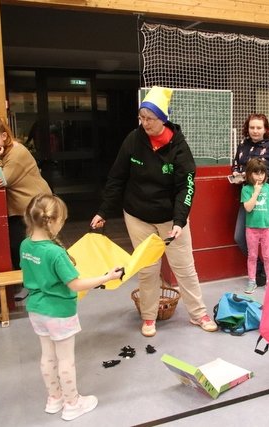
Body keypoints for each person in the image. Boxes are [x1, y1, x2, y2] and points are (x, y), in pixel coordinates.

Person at [90, 86, 217, 337]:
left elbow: (186, 187)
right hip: (137, 215)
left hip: (171, 218)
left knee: (184, 267)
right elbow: (116, 178)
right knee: (148, 268)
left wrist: (179, 221)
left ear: (163, 119)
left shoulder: (179, 147)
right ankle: (149, 317)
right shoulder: (133, 140)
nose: (145, 123)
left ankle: (198, 313)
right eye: (142, 118)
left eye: (150, 118)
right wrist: (103, 211)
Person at [21, 194, 124, 421]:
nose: (62, 224)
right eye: (62, 220)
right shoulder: (56, 253)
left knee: (47, 356)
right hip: (59, 312)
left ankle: (54, 399)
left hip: (36, 310)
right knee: (66, 360)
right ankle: (72, 404)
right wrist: (107, 277)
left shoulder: (25, 245)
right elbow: (75, 284)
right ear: (52, 221)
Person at [0, 117, 52, 271]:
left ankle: (45, 275)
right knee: (16, 247)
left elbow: (2, 180)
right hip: (14, 207)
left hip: (34, 203)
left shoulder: (17, 152)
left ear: (4, 136)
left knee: (33, 245)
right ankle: (26, 277)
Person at [231, 114, 269, 286]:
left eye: (258, 128)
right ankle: (259, 266)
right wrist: (238, 174)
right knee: (239, 236)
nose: (255, 131)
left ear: (265, 129)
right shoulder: (243, 144)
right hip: (248, 197)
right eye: (252, 127)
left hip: (268, 198)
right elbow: (235, 165)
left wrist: (259, 175)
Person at [241, 158, 269, 294]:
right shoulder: (246, 189)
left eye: (262, 173)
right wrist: (256, 192)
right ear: (249, 174)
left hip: (267, 228)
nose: (259, 177)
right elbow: (248, 208)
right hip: (251, 228)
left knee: (267, 256)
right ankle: (251, 281)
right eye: (256, 173)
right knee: (252, 256)